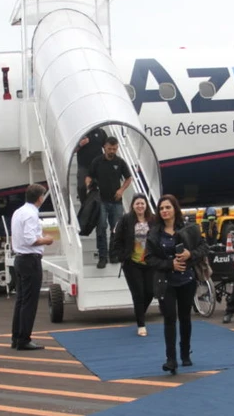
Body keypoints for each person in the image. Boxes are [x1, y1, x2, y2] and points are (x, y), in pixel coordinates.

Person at [145, 194, 209, 374]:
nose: (165, 211)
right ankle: (171, 359)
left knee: (185, 317)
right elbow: (149, 258)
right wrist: (169, 264)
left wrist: (191, 254)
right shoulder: (154, 233)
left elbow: (204, 247)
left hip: (187, 280)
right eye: (161, 208)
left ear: (175, 209)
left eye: (168, 207)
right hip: (166, 282)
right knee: (169, 319)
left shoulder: (189, 228)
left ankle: (185, 353)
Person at [10, 184, 54, 351]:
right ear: (40, 198)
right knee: (29, 302)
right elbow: (30, 239)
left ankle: (17, 337)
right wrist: (46, 240)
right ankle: (24, 338)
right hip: (30, 260)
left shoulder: (19, 212)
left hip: (20, 259)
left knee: (21, 300)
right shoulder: (31, 214)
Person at [109, 193, 155, 336]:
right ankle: (141, 324)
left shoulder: (153, 220)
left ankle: (139, 313)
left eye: (142, 203)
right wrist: (122, 256)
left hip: (149, 262)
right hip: (132, 263)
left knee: (150, 292)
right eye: (137, 204)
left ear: (146, 205)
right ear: (133, 206)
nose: (140, 206)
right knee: (138, 293)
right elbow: (116, 240)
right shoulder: (125, 219)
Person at [85, 136, 132, 269]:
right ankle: (102, 257)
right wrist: (89, 186)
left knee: (115, 229)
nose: (112, 151)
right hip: (101, 201)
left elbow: (129, 178)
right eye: (110, 148)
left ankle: (114, 254)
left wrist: (122, 190)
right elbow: (89, 176)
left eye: (115, 149)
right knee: (101, 228)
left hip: (116, 201)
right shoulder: (97, 161)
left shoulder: (120, 162)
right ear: (104, 147)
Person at [75, 126, 107, 202]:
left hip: (98, 166)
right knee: (82, 187)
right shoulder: (80, 132)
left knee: (100, 187)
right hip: (84, 166)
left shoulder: (101, 132)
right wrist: (80, 144)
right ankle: (84, 204)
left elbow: (107, 147)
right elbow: (72, 150)